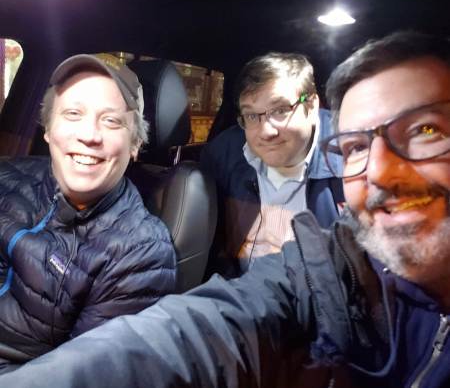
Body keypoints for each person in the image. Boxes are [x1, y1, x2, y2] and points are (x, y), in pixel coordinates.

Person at [1, 30, 449, 388]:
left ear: (313, 108)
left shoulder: (136, 244)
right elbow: (208, 327)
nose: (381, 172)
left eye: (425, 130)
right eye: (357, 147)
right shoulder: (340, 258)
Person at [0, 53, 177, 373]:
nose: (90, 135)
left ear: (135, 144)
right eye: (73, 113)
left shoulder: (139, 252)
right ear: (48, 129)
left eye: (111, 121)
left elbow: (78, 377)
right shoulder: (10, 173)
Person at [201, 52, 343, 277]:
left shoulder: (351, 161)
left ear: (312, 105)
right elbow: (212, 251)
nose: (266, 132)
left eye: (280, 110)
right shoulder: (223, 155)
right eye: (251, 116)